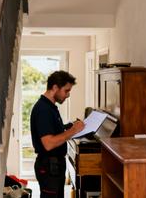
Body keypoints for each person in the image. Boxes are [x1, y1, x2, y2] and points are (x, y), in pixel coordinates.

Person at [30, 70, 85, 198]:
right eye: (66, 91)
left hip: (54, 166)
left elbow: (53, 131)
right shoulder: (43, 110)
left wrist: (70, 126)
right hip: (49, 167)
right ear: (55, 87)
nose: (68, 95)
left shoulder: (50, 107)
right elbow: (48, 143)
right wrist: (73, 131)